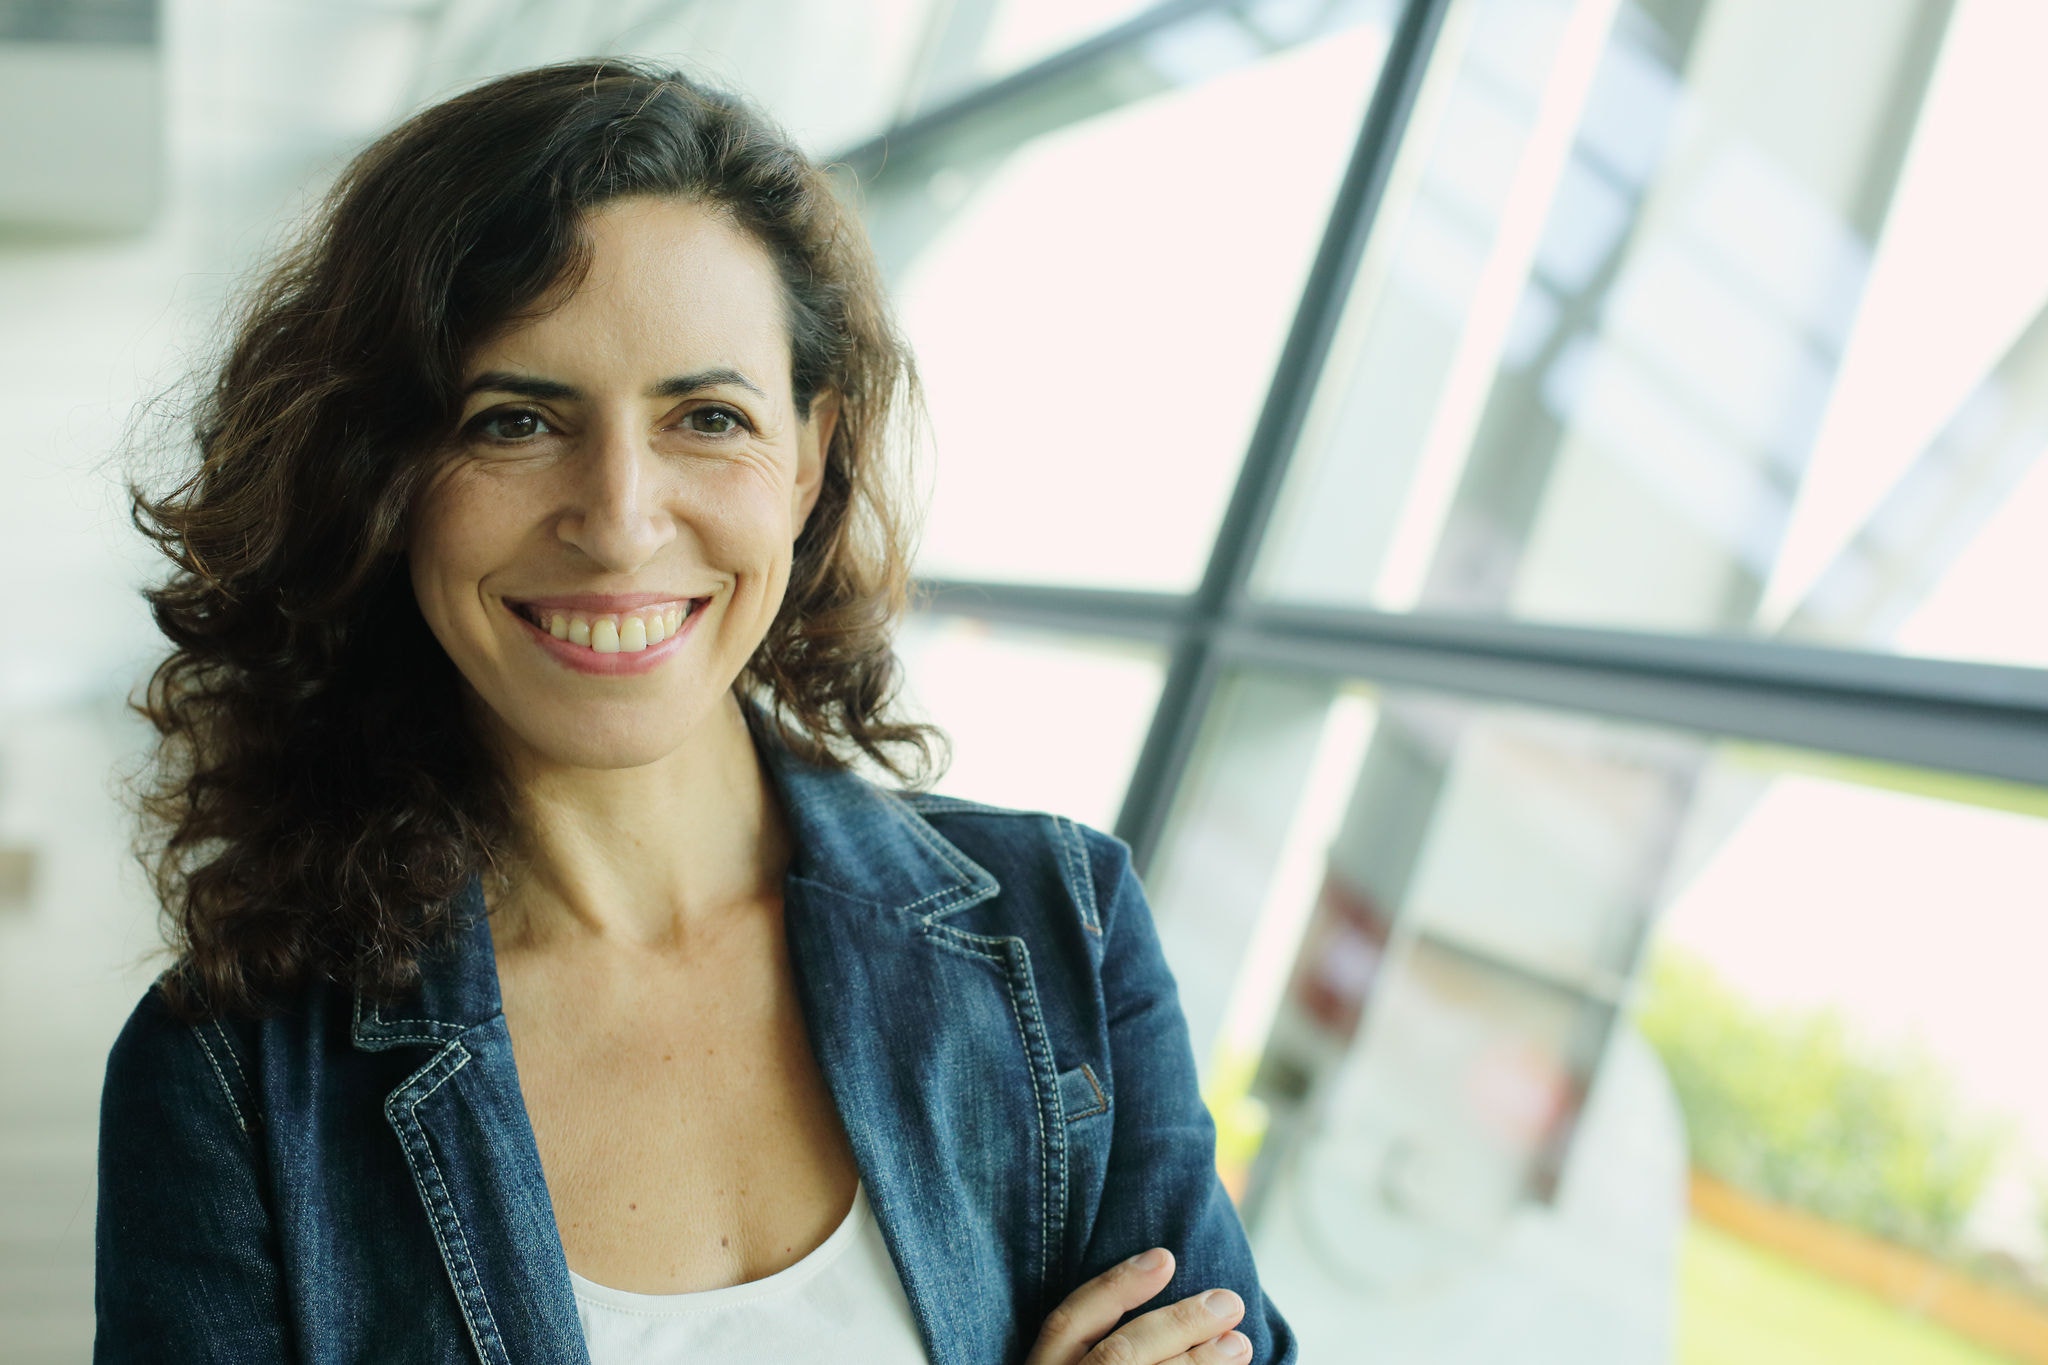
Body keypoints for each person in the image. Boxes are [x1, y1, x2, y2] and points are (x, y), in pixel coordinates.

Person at [97, 58, 1295, 1365]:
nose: (618, 519)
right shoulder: (230, 1084)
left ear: (810, 458)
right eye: (514, 421)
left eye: (707, 416)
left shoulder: (1066, 930)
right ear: (381, 472)